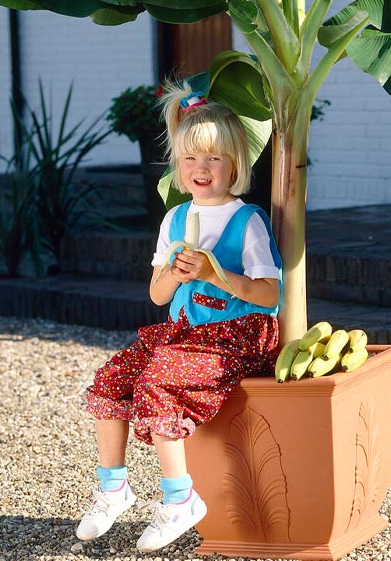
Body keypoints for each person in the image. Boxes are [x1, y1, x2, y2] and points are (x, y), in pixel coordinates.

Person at [75, 83, 282, 552]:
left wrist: (216, 272)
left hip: (236, 333)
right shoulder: (174, 220)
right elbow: (156, 294)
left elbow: (269, 295)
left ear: (235, 165)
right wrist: (172, 272)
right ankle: (113, 487)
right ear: (178, 164)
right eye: (191, 159)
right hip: (183, 329)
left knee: (159, 379)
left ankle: (179, 499)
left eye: (213, 159)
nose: (201, 169)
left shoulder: (245, 220)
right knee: (112, 377)